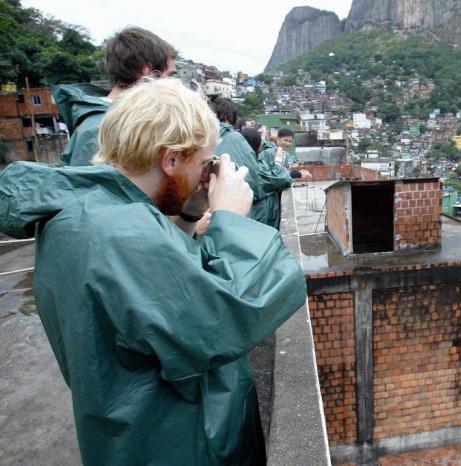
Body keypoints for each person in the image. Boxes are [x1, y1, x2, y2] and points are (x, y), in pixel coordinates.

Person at [0, 78, 307, 465]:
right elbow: (227, 318)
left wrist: (190, 212)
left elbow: (159, 304)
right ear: (171, 160)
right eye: (204, 163)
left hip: (124, 430)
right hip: (177, 442)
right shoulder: (122, 235)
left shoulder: (86, 211)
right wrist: (232, 220)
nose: (206, 174)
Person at [54, 26, 177, 166]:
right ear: (147, 71)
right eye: (170, 76)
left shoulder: (120, 119)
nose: (175, 86)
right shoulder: (100, 127)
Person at [212, 97, 292, 229]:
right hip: (238, 218)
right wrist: (278, 164)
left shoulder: (201, 136)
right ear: (230, 117)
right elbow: (257, 183)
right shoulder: (234, 139)